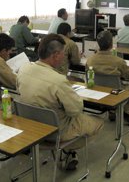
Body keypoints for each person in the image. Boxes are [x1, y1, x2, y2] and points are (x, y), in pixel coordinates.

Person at [17, 34, 104, 170]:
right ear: (56, 55)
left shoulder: (23, 70)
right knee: (98, 124)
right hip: (55, 132)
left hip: (32, 127)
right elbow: (76, 110)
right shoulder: (58, 80)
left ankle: (67, 152)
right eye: (63, 54)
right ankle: (66, 149)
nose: (64, 57)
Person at [86, 31, 129, 126]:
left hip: (98, 89)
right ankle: (126, 113)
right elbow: (128, 74)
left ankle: (112, 111)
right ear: (111, 44)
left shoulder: (90, 59)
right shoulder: (117, 60)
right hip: (116, 91)